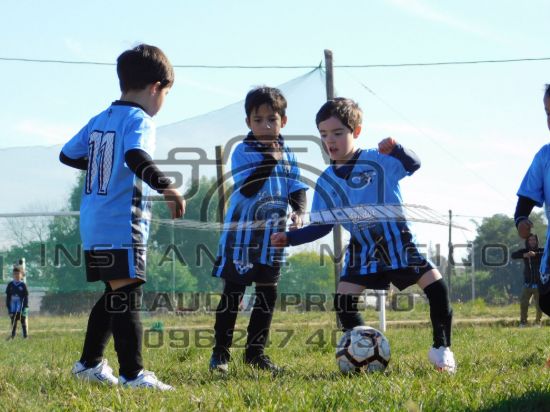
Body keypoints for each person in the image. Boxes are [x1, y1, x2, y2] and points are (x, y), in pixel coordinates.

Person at [271, 97, 456, 373]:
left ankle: (441, 349)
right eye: (324, 134)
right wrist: (290, 238)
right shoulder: (326, 181)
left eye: (337, 133)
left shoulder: (377, 160)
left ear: (356, 131)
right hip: (363, 247)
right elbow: (322, 226)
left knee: (437, 288)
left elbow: (414, 164)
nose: (330, 141)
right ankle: (364, 351)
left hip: (397, 240)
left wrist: (397, 149)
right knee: (343, 302)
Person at [59, 44, 185, 390]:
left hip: (93, 222)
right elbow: (135, 155)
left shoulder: (101, 119)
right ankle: (133, 374)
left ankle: (88, 365)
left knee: (114, 292)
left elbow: (67, 155)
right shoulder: (139, 120)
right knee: (127, 294)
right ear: (156, 88)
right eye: (167, 94)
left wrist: (105, 163)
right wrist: (167, 187)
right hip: (120, 223)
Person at [209, 86, 308, 373]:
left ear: (283, 121)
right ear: (248, 122)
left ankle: (255, 353)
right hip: (241, 238)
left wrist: (299, 211)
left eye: (272, 119)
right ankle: (220, 354)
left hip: (273, 239)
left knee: (267, 294)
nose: (265, 125)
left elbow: (297, 187)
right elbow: (249, 189)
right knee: (234, 293)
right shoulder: (243, 151)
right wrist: (270, 160)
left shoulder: (288, 153)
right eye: (258, 120)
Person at [515, 84, 550, 367]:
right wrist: (521, 220)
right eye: (548, 114)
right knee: (547, 300)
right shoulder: (545, 157)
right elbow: (525, 200)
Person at [511, 234, 544, 327]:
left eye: (534, 240)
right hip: (527, 284)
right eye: (530, 240)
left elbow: (547, 253)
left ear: (537, 241)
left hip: (539, 284)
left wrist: (536, 254)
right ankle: (523, 322)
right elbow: (513, 255)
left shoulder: (541, 250)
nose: (532, 241)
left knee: (539, 305)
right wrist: (524, 255)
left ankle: (537, 322)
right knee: (523, 304)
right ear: (527, 242)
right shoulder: (524, 251)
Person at [5, 264, 29, 339]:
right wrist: (9, 308)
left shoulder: (23, 285)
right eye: (15, 274)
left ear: (21, 275)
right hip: (13, 307)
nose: (16, 275)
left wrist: (25, 307)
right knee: (13, 321)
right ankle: (12, 336)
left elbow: (26, 297)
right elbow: (8, 297)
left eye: (18, 274)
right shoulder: (10, 284)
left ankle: (25, 336)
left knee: (23, 321)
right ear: (13, 275)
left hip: (21, 307)